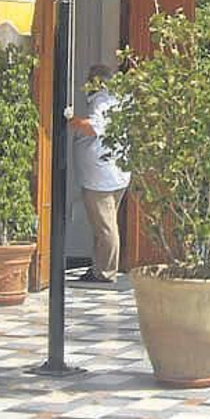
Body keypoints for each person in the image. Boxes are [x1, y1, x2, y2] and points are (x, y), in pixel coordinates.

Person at [69, 63, 128, 283]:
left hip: (101, 177)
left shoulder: (102, 100)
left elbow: (93, 127)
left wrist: (70, 121)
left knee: (105, 227)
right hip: (115, 173)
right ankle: (98, 267)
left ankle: (105, 272)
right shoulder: (118, 98)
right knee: (103, 225)